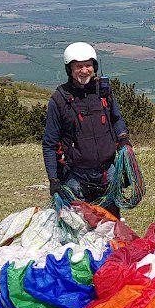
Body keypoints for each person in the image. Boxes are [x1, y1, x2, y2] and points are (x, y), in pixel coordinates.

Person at [42, 42, 130, 217]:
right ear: (70, 69)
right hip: (76, 176)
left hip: (108, 172)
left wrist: (123, 139)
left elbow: (117, 119)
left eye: (88, 65)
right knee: (80, 227)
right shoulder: (59, 100)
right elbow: (49, 144)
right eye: (78, 66)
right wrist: (53, 179)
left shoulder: (104, 91)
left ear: (94, 67)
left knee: (111, 223)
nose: (84, 71)